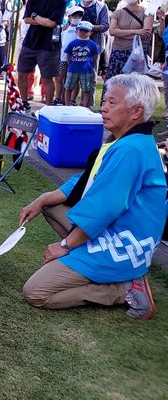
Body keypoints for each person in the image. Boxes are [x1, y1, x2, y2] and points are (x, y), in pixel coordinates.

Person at [20, 74, 164, 320]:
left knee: (36, 292)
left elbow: (105, 208)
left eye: (112, 103)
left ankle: (124, 289)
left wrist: (64, 246)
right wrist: (42, 199)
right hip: (118, 231)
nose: (103, 108)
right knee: (52, 205)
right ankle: (95, 259)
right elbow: (88, 180)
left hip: (121, 243)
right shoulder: (125, 140)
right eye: (104, 100)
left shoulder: (130, 150)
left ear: (136, 112)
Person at [17, 0, 67, 111]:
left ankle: (48, 106)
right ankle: (24, 101)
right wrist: (39, 19)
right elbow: (26, 19)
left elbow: (52, 23)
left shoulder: (59, 0)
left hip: (49, 45)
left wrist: (36, 16)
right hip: (31, 41)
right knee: (22, 72)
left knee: (47, 77)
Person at [106, 0, 152, 81]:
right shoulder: (117, 13)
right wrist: (137, 32)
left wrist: (121, 33)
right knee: (115, 82)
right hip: (118, 52)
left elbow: (146, 34)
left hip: (138, 53)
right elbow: (112, 31)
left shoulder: (147, 12)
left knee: (135, 83)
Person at [62, 21, 99, 107]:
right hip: (72, 69)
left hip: (86, 71)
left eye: (86, 31)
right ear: (76, 31)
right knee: (68, 87)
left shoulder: (92, 44)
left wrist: (90, 66)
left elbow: (95, 56)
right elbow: (68, 55)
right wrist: (70, 64)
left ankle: (85, 106)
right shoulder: (73, 43)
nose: (83, 33)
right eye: (81, 31)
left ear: (90, 33)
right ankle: (67, 105)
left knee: (86, 89)